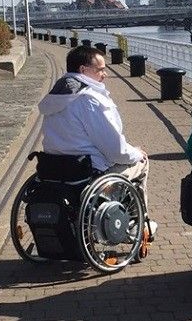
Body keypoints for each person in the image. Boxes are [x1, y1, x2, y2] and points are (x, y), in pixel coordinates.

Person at [38, 46, 157, 239]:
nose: (105, 74)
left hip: (54, 170)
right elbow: (115, 150)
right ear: (84, 70)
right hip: (87, 173)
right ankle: (138, 224)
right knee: (140, 162)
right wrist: (136, 152)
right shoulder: (89, 100)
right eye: (100, 69)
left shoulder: (56, 97)